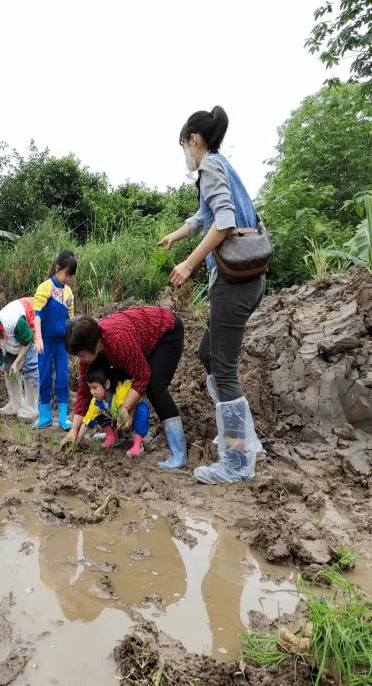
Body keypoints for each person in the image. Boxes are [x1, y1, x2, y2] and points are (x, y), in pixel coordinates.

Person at [158, 106, 265, 484]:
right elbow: (205, 216)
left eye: (184, 144)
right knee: (207, 354)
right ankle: (244, 437)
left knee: (223, 368)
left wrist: (188, 264)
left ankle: (236, 461)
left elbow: (223, 222)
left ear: (195, 141)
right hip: (247, 280)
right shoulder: (222, 165)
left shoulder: (209, 168)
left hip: (234, 284)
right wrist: (177, 234)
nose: (185, 152)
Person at [62, 307, 186, 469]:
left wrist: (125, 408)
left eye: (82, 354)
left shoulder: (119, 341)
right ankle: (119, 434)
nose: (81, 360)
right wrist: (74, 431)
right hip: (137, 341)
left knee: (155, 387)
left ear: (93, 344)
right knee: (114, 381)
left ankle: (179, 453)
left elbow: (142, 376)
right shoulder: (91, 353)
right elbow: (84, 393)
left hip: (166, 331)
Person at [0, 298, 39, 422]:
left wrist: (17, 363)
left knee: (30, 367)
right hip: (12, 336)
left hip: (31, 321)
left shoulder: (13, 322)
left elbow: (27, 341)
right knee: (8, 368)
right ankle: (16, 403)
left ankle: (32, 407)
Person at [33, 250, 77, 430]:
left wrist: (72, 342)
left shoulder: (68, 293)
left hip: (61, 344)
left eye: (70, 275)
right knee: (44, 378)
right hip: (46, 343)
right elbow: (37, 315)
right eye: (66, 273)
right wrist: (38, 337)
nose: (67, 278)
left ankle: (63, 418)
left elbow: (71, 320)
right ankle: (44, 417)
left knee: (62, 378)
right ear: (58, 268)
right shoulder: (45, 288)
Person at [79, 361, 150, 457]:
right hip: (117, 421)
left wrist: (129, 414)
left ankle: (138, 443)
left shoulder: (120, 390)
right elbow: (86, 422)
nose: (92, 392)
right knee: (96, 415)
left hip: (131, 419)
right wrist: (76, 440)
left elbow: (137, 394)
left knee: (142, 408)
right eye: (90, 388)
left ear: (107, 384)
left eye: (95, 387)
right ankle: (112, 437)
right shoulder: (97, 402)